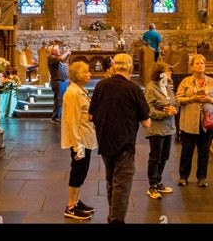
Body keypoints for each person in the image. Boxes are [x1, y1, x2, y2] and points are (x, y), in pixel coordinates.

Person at [88, 53, 151, 223]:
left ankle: (112, 215)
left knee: (111, 180)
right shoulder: (134, 89)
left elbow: (90, 116)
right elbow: (146, 123)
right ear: (130, 67)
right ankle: (116, 220)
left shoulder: (101, 86)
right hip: (125, 142)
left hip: (105, 140)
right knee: (122, 184)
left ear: (113, 67)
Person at [175, 53, 213, 187]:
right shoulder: (186, 82)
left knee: (204, 152)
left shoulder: (212, 82)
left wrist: (210, 100)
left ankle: (202, 177)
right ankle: (183, 177)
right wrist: (192, 99)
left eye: (202, 63)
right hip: (190, 123)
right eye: (197, 63)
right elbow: (178, 99)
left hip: (207, 123)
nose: (200, 65)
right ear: (192, 67)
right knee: (187, 151)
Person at [61, 61, 97, 221]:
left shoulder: (80, 90)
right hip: (80, 140)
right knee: (77, 171)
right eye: (87, 72)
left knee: (82, 172)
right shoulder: (72, 93)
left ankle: (76, 200)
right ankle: (70, 206)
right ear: (78, 75)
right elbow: (71, 120)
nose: (90, 74)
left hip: (85, 137)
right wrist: (77, 145)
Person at [144, 61, 178, 199]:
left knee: (164, 156)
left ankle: (158, 182)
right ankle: (152, 186)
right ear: (161, 73)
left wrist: (174, 108)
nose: (170, 73)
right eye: (168, 70)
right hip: (157, 129)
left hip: (169, 127)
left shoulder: (167, 87)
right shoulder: (151, 88)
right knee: (155, 157)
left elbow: (173, 102)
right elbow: (148, 110)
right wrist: (164, 113)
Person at [48, 43, 70, 122]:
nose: (59, 50)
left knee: (62, 99)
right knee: (58, 99)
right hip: (57, 81)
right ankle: (55, 117)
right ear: (53, 51)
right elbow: (60, 58)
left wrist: (67, 55)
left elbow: (63, 60)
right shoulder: (51, 58)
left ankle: (59, 116)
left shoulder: (57, 59)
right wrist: (66, 53)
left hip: (62, 81)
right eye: (58, 49)